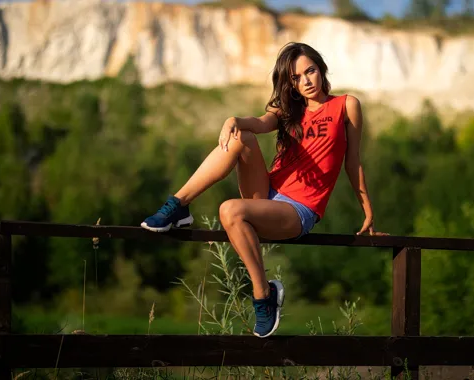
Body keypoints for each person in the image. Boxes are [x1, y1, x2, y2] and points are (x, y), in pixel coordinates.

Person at [141, 42, 387, 338]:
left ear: (320, 69)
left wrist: (368, 211)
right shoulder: (287, 110)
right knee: (241, 136)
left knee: (229, 209)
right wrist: (234, 120)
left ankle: (263, 294)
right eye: (296, 78)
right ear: (290, 84)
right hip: (267, 193)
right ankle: (178, 204)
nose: (306, 81)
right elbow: (259, 123)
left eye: (310, 71)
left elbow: (353, 161)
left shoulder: (346, 106)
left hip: (299, 210)